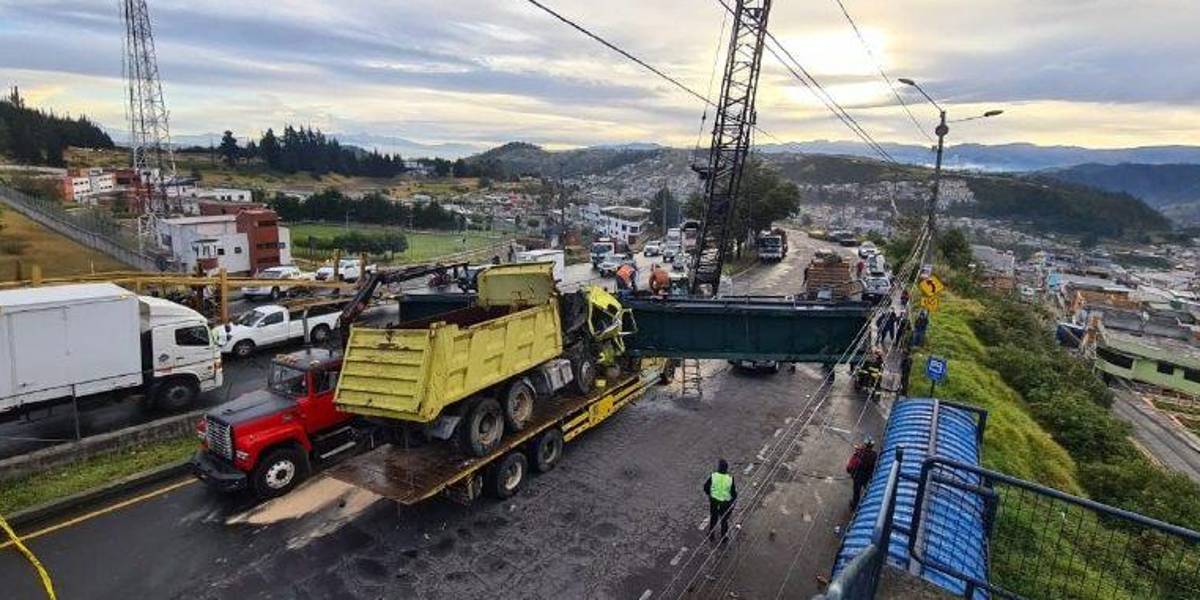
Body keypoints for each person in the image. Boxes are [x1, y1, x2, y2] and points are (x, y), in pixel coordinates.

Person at [704, 459, 738, 541]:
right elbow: (733, 492)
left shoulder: (713, 476)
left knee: (714, 518)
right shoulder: (730, 479)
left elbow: (706, 487)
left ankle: (711, 535)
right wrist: (733, 500)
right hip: (725, 503)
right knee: (724, 520)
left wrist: (710, 495)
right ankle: (724, 537)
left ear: (719, 467)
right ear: (726, 469)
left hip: (714, 501)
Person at [846, 438, 878, 509]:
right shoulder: (874, 455)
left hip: (858, 477)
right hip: (868, 476)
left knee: (857, 492)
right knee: (867, 490)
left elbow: (850, 466)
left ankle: (854, 505)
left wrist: (850, 471)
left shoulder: (859, 455)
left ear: (865, 445)